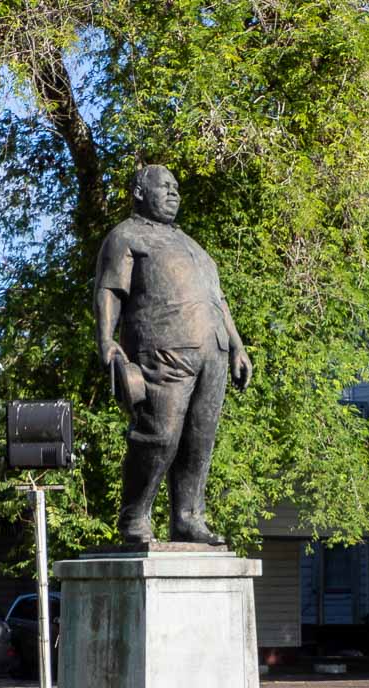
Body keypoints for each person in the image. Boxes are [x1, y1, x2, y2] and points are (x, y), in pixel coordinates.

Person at [94, 163, 253, 545]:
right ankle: (135, 517)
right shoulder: (125, 236)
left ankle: (188, 517)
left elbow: (218, 300)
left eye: (176, 188)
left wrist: (237, 345)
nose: (173, 193)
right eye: (164, 186)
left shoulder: (192, 245)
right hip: (162, 348)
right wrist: (106, 339)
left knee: (199, 441)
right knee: (159, 435)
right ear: (139, 192)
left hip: (212, 351)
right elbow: (109, 289)